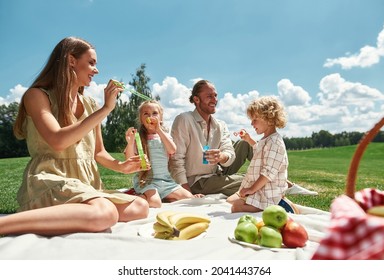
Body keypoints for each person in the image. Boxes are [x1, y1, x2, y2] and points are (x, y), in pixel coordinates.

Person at [0, 37, 149, 236]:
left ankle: (63, 216)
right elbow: (57, 140)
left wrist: (121, 166)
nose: (96, 70)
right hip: (50, 178)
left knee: (140, 206)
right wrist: (106, 109)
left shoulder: (90, 104)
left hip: (84, 183)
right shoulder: (37, 96)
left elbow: (98, 152)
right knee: (106, 214)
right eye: (91, 63)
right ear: (71, 61)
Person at [169, 79, 252, 197]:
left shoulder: (220, 125)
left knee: (246, 144)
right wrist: (187, 192)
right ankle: (271, 183)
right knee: (251, 182)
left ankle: (271, 175)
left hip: (217, 171)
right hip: (197, 181)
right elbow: (176, 160)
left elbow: (229, 150)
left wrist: (222, 156)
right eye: (209, 96)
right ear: (196, 99)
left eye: (215, 95)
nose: (215, 100)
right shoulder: (184, 120)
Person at [124, 100, 201, 208]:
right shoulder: (138, 138)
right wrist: (130, 142)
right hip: (147, 182)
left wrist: (159, 130)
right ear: (141, 119)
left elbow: (172, 150)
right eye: (146, 113)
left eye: (155, 113)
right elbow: (130, 160)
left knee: (189, 198)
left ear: (161, 118)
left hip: (166, 182)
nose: (150, 116)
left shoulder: (164, 136)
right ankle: (140, 196)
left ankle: (164, 196)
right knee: (155, 203)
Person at [226, 96, 290, 212]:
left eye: (255, 119)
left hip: (268, 192)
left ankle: (280, 205)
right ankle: (258, 201)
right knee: (230, 200)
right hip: (260, 189)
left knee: (236, 207)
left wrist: (251, 189)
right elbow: (259, 152)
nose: (251, 123)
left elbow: (268, 172)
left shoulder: (275, 142)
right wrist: (249, 140)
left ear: (269, 119)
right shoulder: (266, 140)